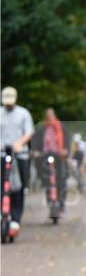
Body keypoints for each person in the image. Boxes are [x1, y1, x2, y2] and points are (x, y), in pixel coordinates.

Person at [0, 87, 34, 237]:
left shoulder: (23, 113)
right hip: (2, 153)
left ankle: (16, 219)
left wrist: (20, 143)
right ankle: (2, 214)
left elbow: (29, 132)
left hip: (19, 155)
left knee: (18, 186)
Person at [40, 108, 67, 211]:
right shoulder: (43, 128)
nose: (49, 117)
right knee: (47, 178)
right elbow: (39, 142)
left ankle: (61, 202)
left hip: (59, 155)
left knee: (60, 178)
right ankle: (50, 201)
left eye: (51, 115)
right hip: (47, 155)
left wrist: (65, 150)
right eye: (48, 115)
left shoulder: (60, 126)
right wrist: (37, 151)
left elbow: (67, 140)